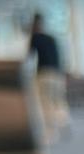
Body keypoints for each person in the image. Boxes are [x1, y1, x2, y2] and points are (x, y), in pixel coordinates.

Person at [28, 12, 69, 142]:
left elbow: (29, 56)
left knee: (45, 102)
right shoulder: (52, 38)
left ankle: (50, 132)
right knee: (58, 100)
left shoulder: (35, 38)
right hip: (57, 73)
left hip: (44, 74)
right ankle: (63, 119)